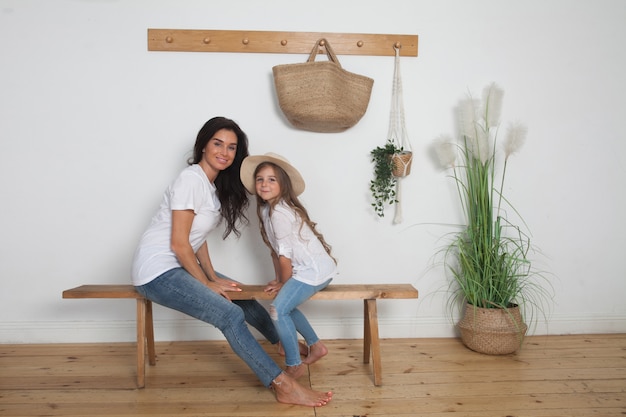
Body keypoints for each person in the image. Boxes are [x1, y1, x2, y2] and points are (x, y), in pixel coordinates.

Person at [131, 118, 332, 407]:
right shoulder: (190, 179)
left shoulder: (209, 187)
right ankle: (282, 384)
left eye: (232, 147)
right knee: (230, 315)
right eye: (217, 143)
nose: (224, 152)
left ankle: (281, 342)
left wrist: (213, 276)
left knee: (239, 295)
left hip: (175, 265)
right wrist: (207, 283)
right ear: (203, 145)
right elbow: (178, 243)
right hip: (156, 272)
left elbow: (195, 239)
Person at [240, 153, 337, 379]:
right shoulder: (266, 211)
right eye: (260, 179)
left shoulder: (280, 213)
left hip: (315, 271)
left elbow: (285, 258)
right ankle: (316, 345)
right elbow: (276, 252)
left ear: (283, 184)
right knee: (285, 306)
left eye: (272, 179)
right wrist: (280, 280)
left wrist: (285, 283)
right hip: (304, 271)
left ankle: (294, 365)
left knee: (277, 309)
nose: (265, 184)